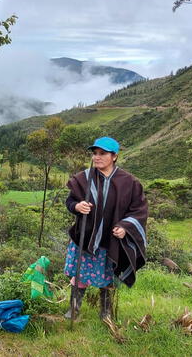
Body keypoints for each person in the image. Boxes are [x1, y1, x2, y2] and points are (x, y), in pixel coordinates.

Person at [63, 136, 148, 320]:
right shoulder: (84, 178)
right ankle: (74, 309)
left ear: (114, 156)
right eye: (95, 153)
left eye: (102, 153)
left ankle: (106, 313)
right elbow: (70, 201)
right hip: (85, 237)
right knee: (80, 276)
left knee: (108, 277)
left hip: (110, 241)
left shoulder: (129, 183)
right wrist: (77, 207)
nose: (97, 157)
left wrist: (125, 227)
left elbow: (139, 210)